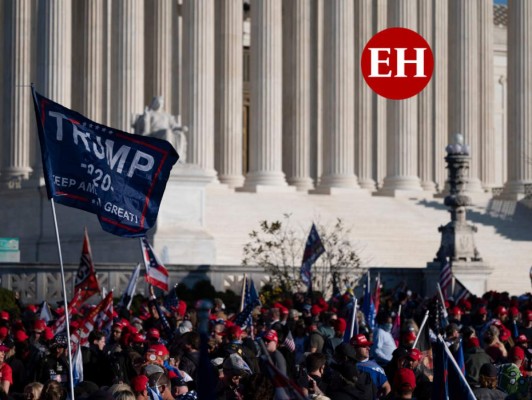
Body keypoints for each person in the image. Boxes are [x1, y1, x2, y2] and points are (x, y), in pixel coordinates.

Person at [132, 96, 187, 162]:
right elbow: (144, 125)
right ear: (154, 103)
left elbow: (174, 125)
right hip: (154, 134)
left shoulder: (167, 115)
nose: (159, 105)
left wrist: (181, 128)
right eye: (158, 103)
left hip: (166, 132)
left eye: (161, 103)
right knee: (167, 132)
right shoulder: (150, 113)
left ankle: (177, 157)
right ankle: (167, 154)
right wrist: (146, 116)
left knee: (180, 135)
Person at [350, 333, 391, 397]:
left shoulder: (376, 368)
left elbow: (387, 387)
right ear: (354, 348)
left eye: (368, 346)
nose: (368, 348)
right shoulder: (347, 364)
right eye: (364, 346)